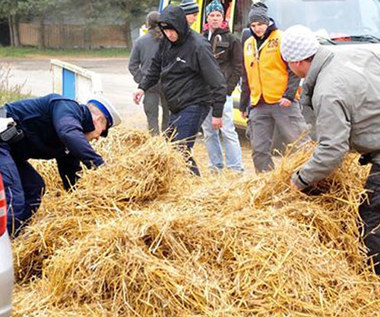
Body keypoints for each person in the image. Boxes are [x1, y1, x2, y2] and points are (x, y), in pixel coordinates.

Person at [281, 25, 380, 275]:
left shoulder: (327, 90)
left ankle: (374, 280)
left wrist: (300, 179)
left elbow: (332, 149)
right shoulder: (356, 53)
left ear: (297, 62)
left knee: (370, 220)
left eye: (287, 63)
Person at [0, 94, 121, 237]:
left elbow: (71, 179)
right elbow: (68, 133)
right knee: (15, 198)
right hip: (2, 140)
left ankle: (13, 239)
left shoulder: (70, 142)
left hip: (9, 151)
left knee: (34, 188)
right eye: (103, 131)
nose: (97, 137)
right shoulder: (67, 106)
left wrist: (91, 202)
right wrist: (100, 166)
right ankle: (3, 251)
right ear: (99, 120)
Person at [133, 5, 226, 176]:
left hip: (195, 102)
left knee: (180, 148)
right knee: (170, 148)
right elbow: (155, 67)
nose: (169, 34)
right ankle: (183, 184)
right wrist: (142, 87)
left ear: (180, 25)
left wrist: (217, 112)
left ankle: (195, 186)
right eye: (165, 30)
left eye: (172, 30)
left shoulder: (198, 45)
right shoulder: (165, 43)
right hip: (175, 103)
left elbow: (217, 80)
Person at [240, 2, 309, 173]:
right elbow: (246, 75)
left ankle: (311, 178)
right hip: (258, 103)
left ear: (268, 21)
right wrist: (244, 104)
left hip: (282, 101)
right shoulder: (248, 43)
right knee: (259, 150)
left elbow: (294, 70)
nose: (257, 28)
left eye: (260, 24)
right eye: (253, 25)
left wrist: (289, 95)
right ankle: (266, 184)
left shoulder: (281, 38)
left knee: (300, 144)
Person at [201, 0, 243, 173]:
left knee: (227, 131)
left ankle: (235, 168)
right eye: (212, 15)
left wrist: (228, 89)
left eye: (218, 15)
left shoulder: (231, 39)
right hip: (204, 93)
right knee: (209, 132)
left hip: (222, 92)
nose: (215, 18)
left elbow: (238, 67)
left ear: (223, 17)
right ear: (207, 18)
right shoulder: (201, 38)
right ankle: (215, 166)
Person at [129, 11, 169, 135]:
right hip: (168, 82)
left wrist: (142, 81)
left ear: (147, 24)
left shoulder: (140, 41)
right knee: (169, 115)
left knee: (152, 117)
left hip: (150, 85)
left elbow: (132, 65)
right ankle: (168, 143)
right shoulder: (169, 40)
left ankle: (155, 143)